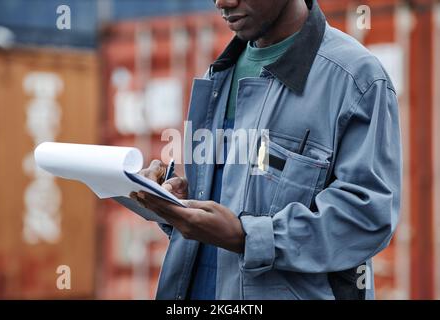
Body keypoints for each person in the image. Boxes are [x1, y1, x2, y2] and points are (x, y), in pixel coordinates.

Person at [131, 0, 402, 300]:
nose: (223, 2)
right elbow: (223, 213)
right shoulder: (218, 75)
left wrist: (245, 236)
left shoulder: (356, 78)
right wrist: (176, 206)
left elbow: (367, 218)